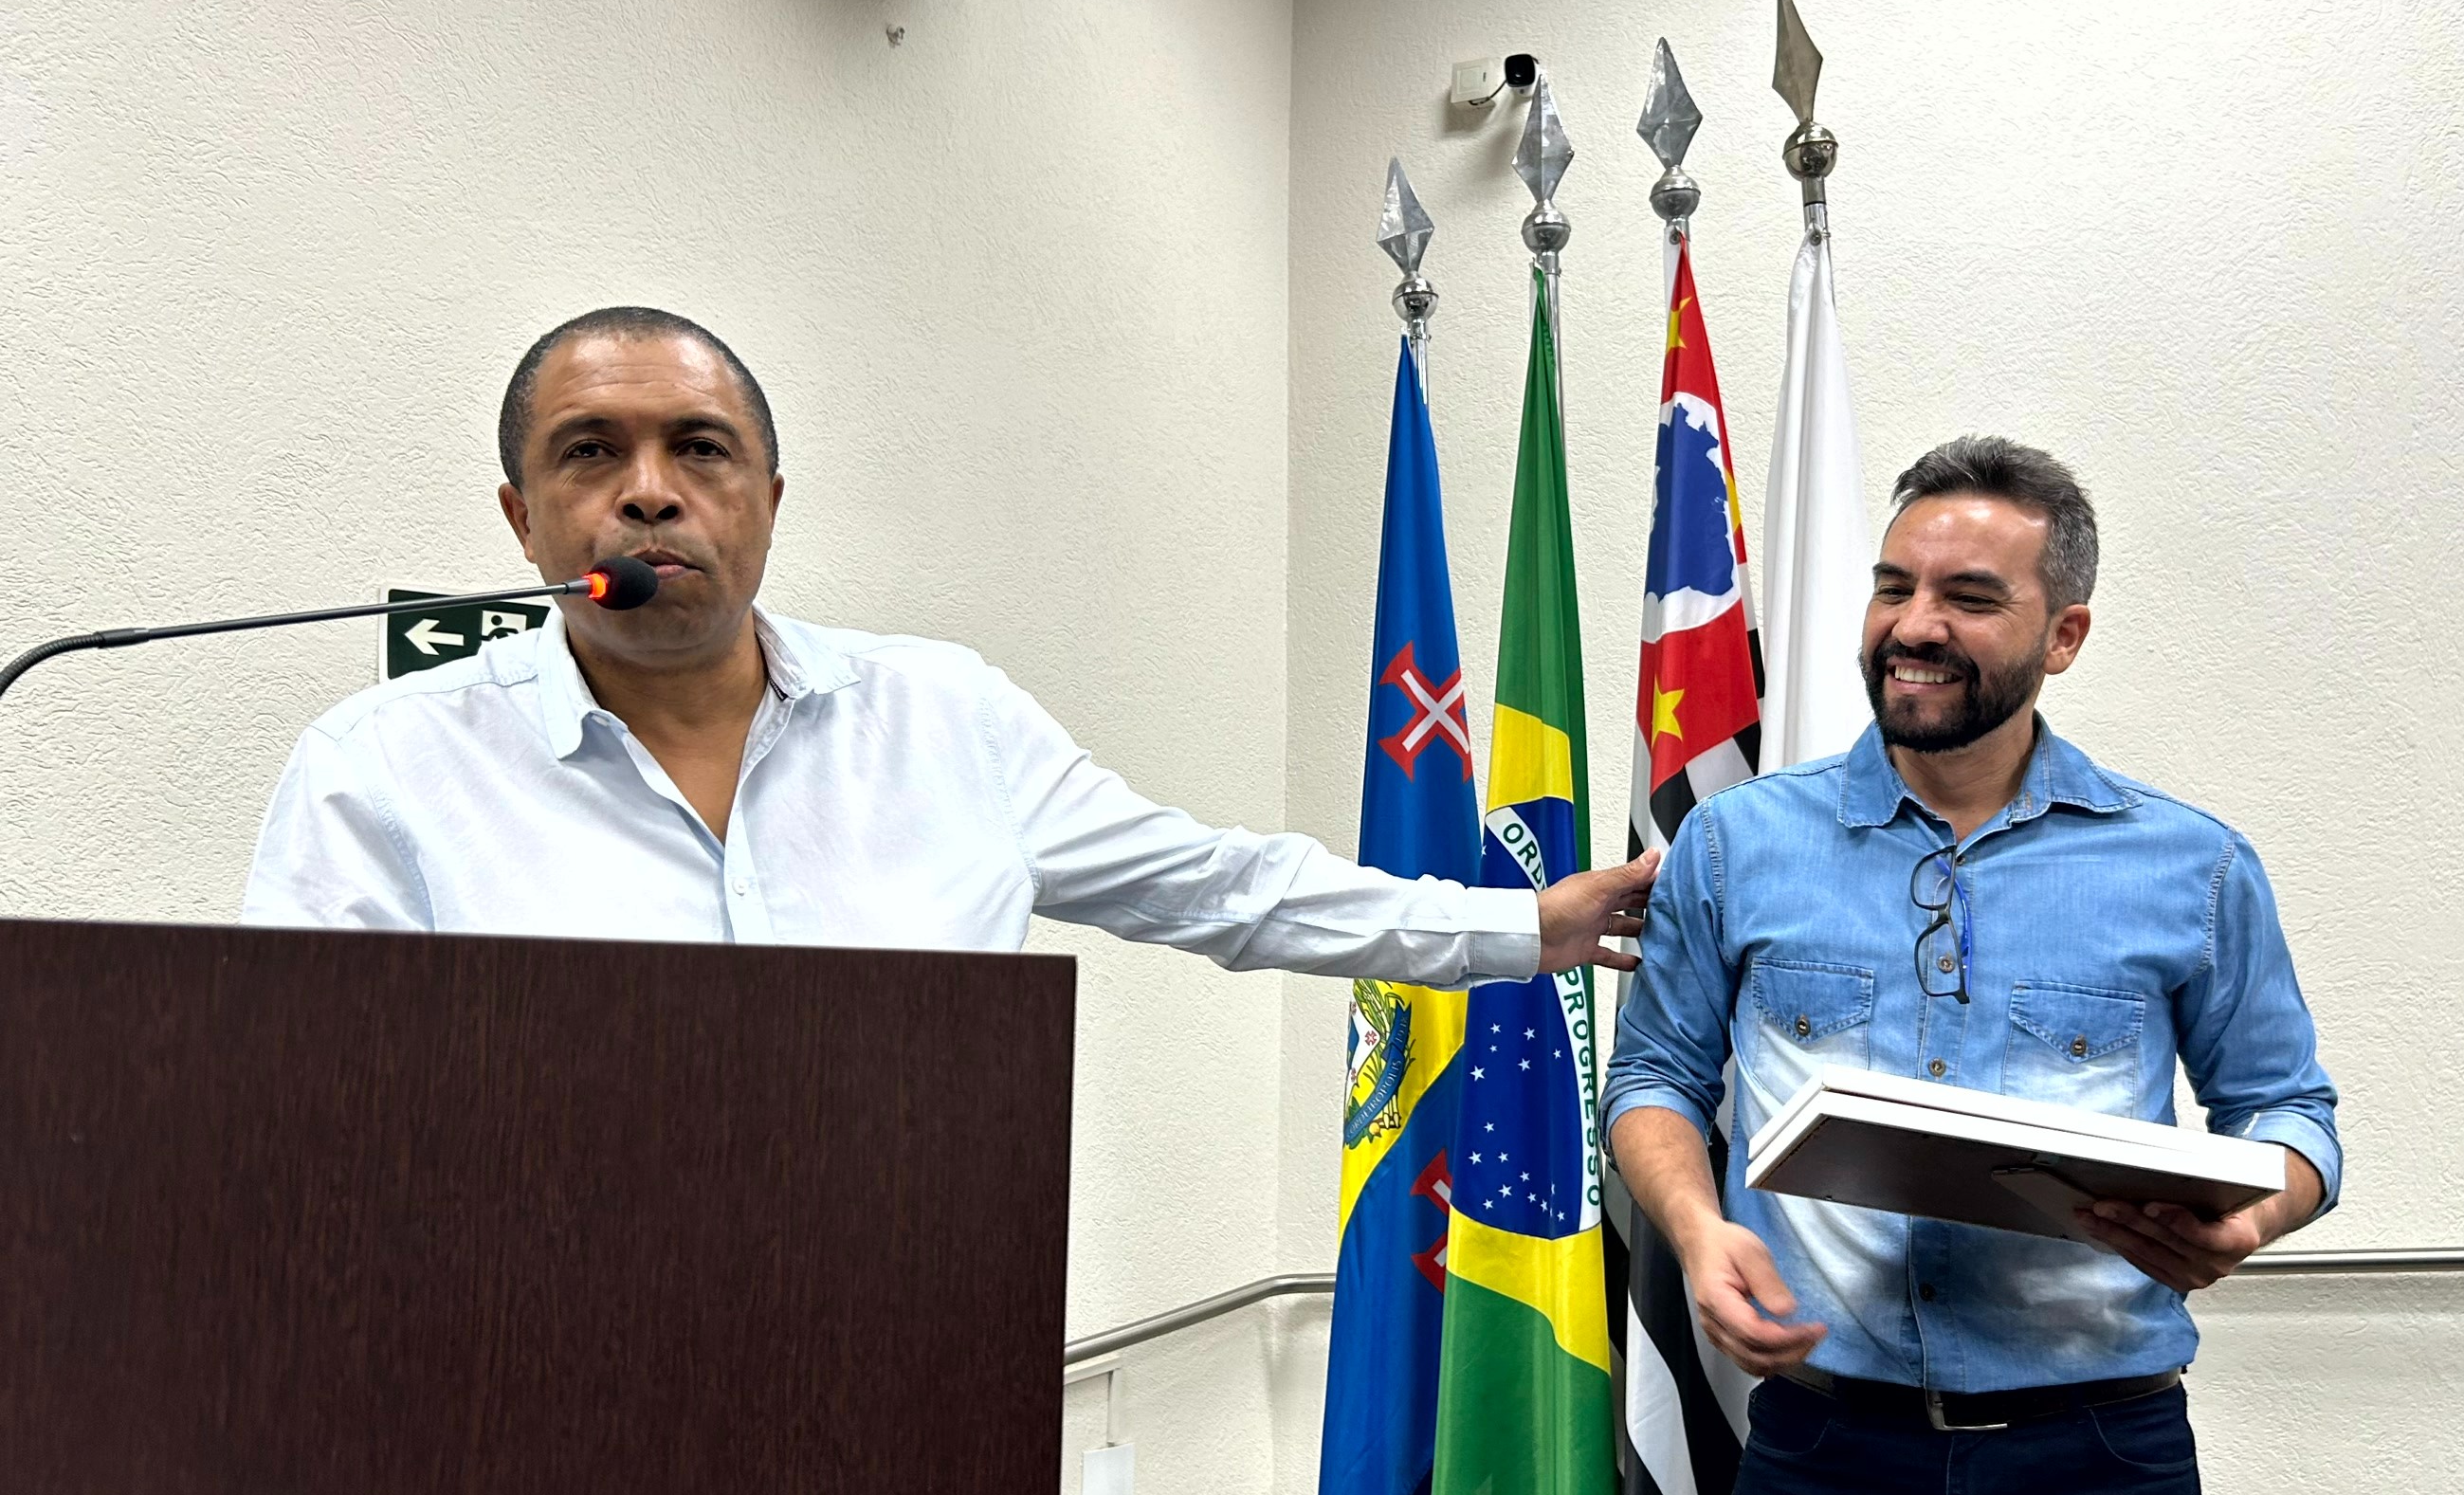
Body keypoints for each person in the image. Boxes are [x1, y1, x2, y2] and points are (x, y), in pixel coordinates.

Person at [1600, 437, 2338, 1495]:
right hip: (1822, 1463)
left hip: (2094, 1479)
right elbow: (1653, 1076)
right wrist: (1696, 1234)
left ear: (2064, 635)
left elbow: (2292, 1111)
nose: (1915, 624)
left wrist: (2256, 1210)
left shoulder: (2189, 864)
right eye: (1895, 586)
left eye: (1969, 596)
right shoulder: (1738, 845)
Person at [243, 305, 1655, 980]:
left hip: (908, 1362)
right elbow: (301, 1119)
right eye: (591, 452)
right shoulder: (385, 770)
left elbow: (1221, 884)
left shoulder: (940, 717)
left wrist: (1518, 924)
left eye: (701, 449)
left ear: (769, 500)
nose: (651, 492)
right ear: (521, 516)